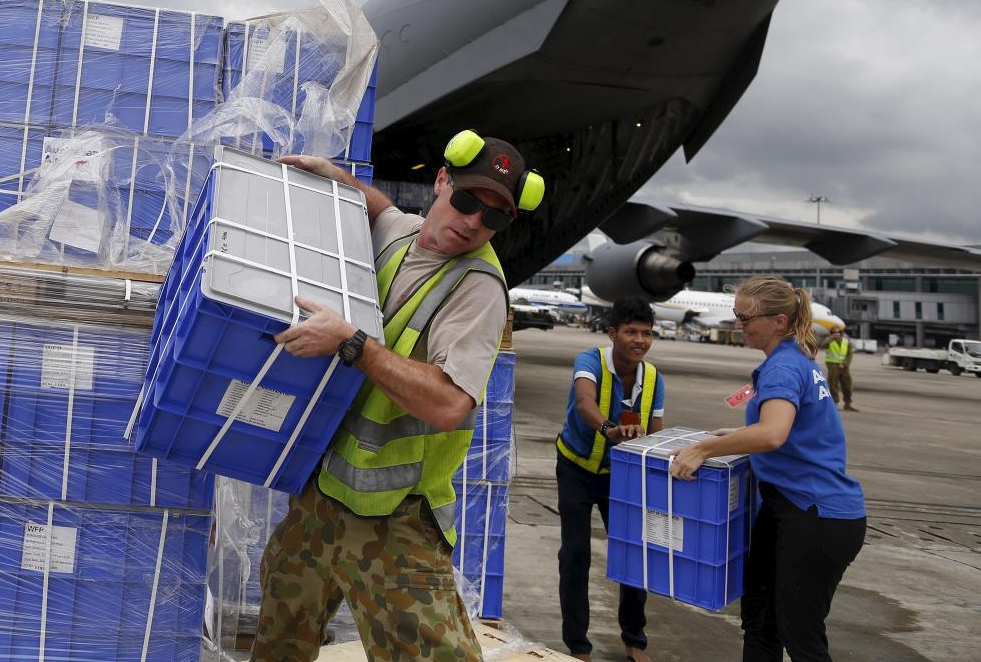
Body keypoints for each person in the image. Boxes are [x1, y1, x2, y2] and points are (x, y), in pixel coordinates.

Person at [250, 130, 545, 662]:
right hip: (325, 496)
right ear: (441, 182)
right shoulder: (403, 236)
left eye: (495, 216)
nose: (475, 221)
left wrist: (351, 344)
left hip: (397, 521)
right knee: (279, 634)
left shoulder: (477, 289)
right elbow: (382, 209)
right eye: (468, 200)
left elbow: (450, 404)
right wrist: (336, 178)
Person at [670, 275, 866, 662]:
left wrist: (705, 449)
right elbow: (790, 428)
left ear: (778, 321)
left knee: (799, 634)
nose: (738, 325)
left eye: (746, 318)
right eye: (737, 315)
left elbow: (774, 434)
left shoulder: (783, 367)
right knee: (761, 621)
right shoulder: (795, 360)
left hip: (814, 515)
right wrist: (744, 432)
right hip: (789, 510)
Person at [554, 296, 663, 662]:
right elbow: (584, 403)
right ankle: (578, 646)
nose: (639, 340)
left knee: (634, 556)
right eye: (631, 332)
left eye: (646, 333)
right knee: (576, 555)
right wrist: (608, 429)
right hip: (576, 470)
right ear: (613, 333)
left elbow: (657, 432)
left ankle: (635, 641)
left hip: (622, 478)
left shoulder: (653, 378)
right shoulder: (590, 361)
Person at [823, 323, 856, 411]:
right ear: (831, 333)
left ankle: (848, 404)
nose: (836, 334)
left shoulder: (846, 341)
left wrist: (845, 364)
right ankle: (835, 403)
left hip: (844, 367)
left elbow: (850, 354)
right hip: (833, 366)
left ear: (841, 333)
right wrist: (831, 338)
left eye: (838, 332)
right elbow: (822, 345)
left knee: (847, 386)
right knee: (833, 385)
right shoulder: (829, 341)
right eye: (834, 332)